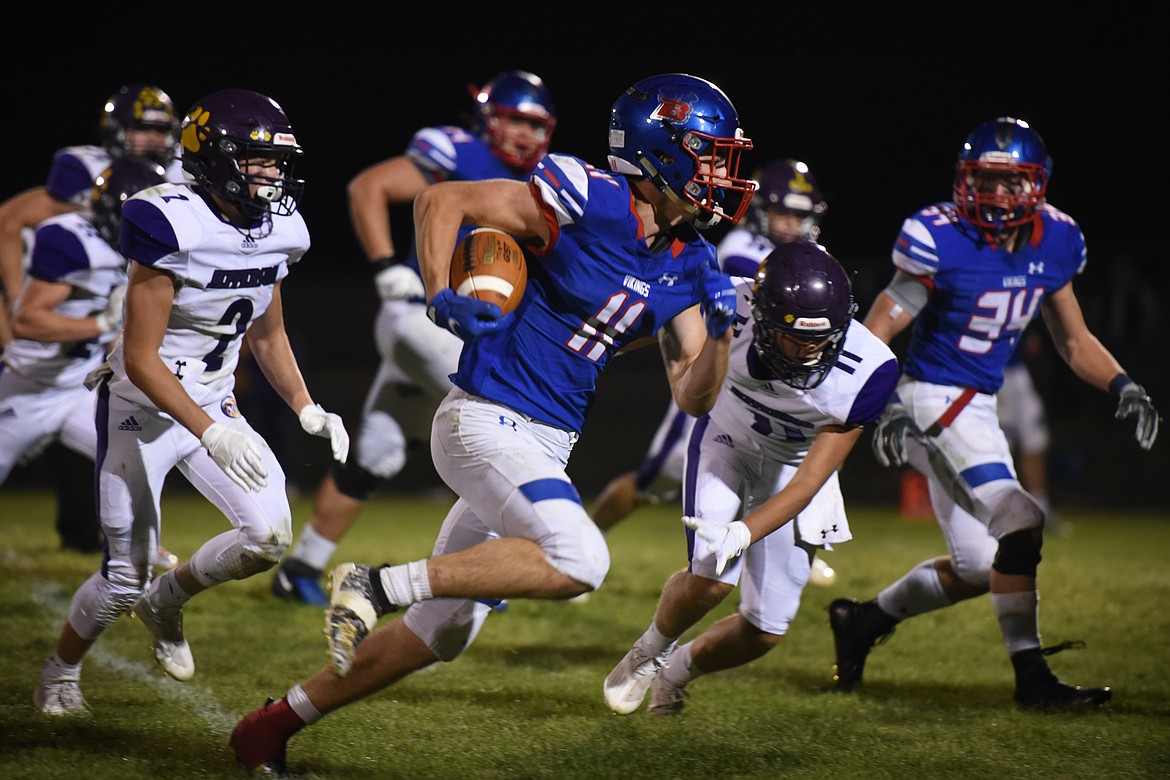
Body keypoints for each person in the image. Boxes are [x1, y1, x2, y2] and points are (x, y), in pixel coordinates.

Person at [229, 72, 755, 774]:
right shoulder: (592, 198)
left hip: (545, 442)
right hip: (485, 420)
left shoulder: (693, 261)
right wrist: (440, 292)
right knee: (582, 559)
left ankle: (270, 725)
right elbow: (440, 199)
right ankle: (374, 583)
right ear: (661, 150)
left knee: (441, 634)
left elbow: (692, 394)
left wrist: (719, 337)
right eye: (709, 153)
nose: (722, 172)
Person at [34, 88, 349, 716]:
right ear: (217, 158)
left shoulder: (281, 225)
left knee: (267, 537)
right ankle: (59, 671)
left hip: (210, 403)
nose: (272, 173)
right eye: (258, 159)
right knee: (124, 575)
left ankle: (168, 602)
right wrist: (211, 431)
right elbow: (144, 357)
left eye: (277, 160)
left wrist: (305, 406)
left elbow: (268, 331)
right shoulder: (168, 218)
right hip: (141, 403)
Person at [828, 117, 1160, 710]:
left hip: (976, 406)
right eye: (984, 180)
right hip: (929, 401)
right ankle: (1032, 682)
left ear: (1037, 186)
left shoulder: (1056, 241)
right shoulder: (940, 236)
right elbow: (883, 321)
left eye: (1011, 184)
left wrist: (1122, 385)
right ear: (964, 180)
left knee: (984, 566)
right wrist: (882, 401)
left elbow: (1074, 340)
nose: (996, 195)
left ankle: (862, 621)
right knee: (1022, 521)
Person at [271, 71, 557, 606]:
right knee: (505, 422)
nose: (522, 133)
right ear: (488, 117)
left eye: (533, 124)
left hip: (448, 330)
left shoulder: (547, 181)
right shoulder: (459, 150)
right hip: (425, 319)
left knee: (375, 454)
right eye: (514, 119)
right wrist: (385, 266)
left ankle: (299, 569)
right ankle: (507, 559)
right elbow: (369, 187)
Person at [603, 241, 897, 716]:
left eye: (822, 338)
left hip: (793, 471)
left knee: (765, 631)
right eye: (796, 337)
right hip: (726, 440)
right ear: (761, 318)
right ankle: (650, 651)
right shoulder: (729, 309)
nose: (810, 351)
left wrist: (744, 530)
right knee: (712, 580)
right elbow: (651, 333)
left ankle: (676, 671)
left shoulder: (869, 371)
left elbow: (807, 483)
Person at [589, 160, 840, 586]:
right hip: (717, 381)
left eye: (800, 216)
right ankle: (590, 537)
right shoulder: (740, 248)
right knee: (653, 482)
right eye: (784, 213)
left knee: (788, 461)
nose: (792, 224)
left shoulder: (809, 259)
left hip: (765, 389)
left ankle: (790, 544)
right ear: (762, 210)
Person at [0, 83, 184, 562]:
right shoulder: (74, 230)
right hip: (32, 378)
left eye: (160, 129)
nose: (151, 138)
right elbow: (11, 221)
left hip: (84, 380)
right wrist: (21, 302)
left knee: (137, 452)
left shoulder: (179, 176)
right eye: (141, 128)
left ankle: (134, 547)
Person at [1, 158, 166, 510]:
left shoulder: (142, 253)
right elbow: (25, 323)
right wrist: (100, 325)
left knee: (137, 463)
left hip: (81, 387)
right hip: (27, 385)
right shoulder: (73, 241)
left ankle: (129, 556)